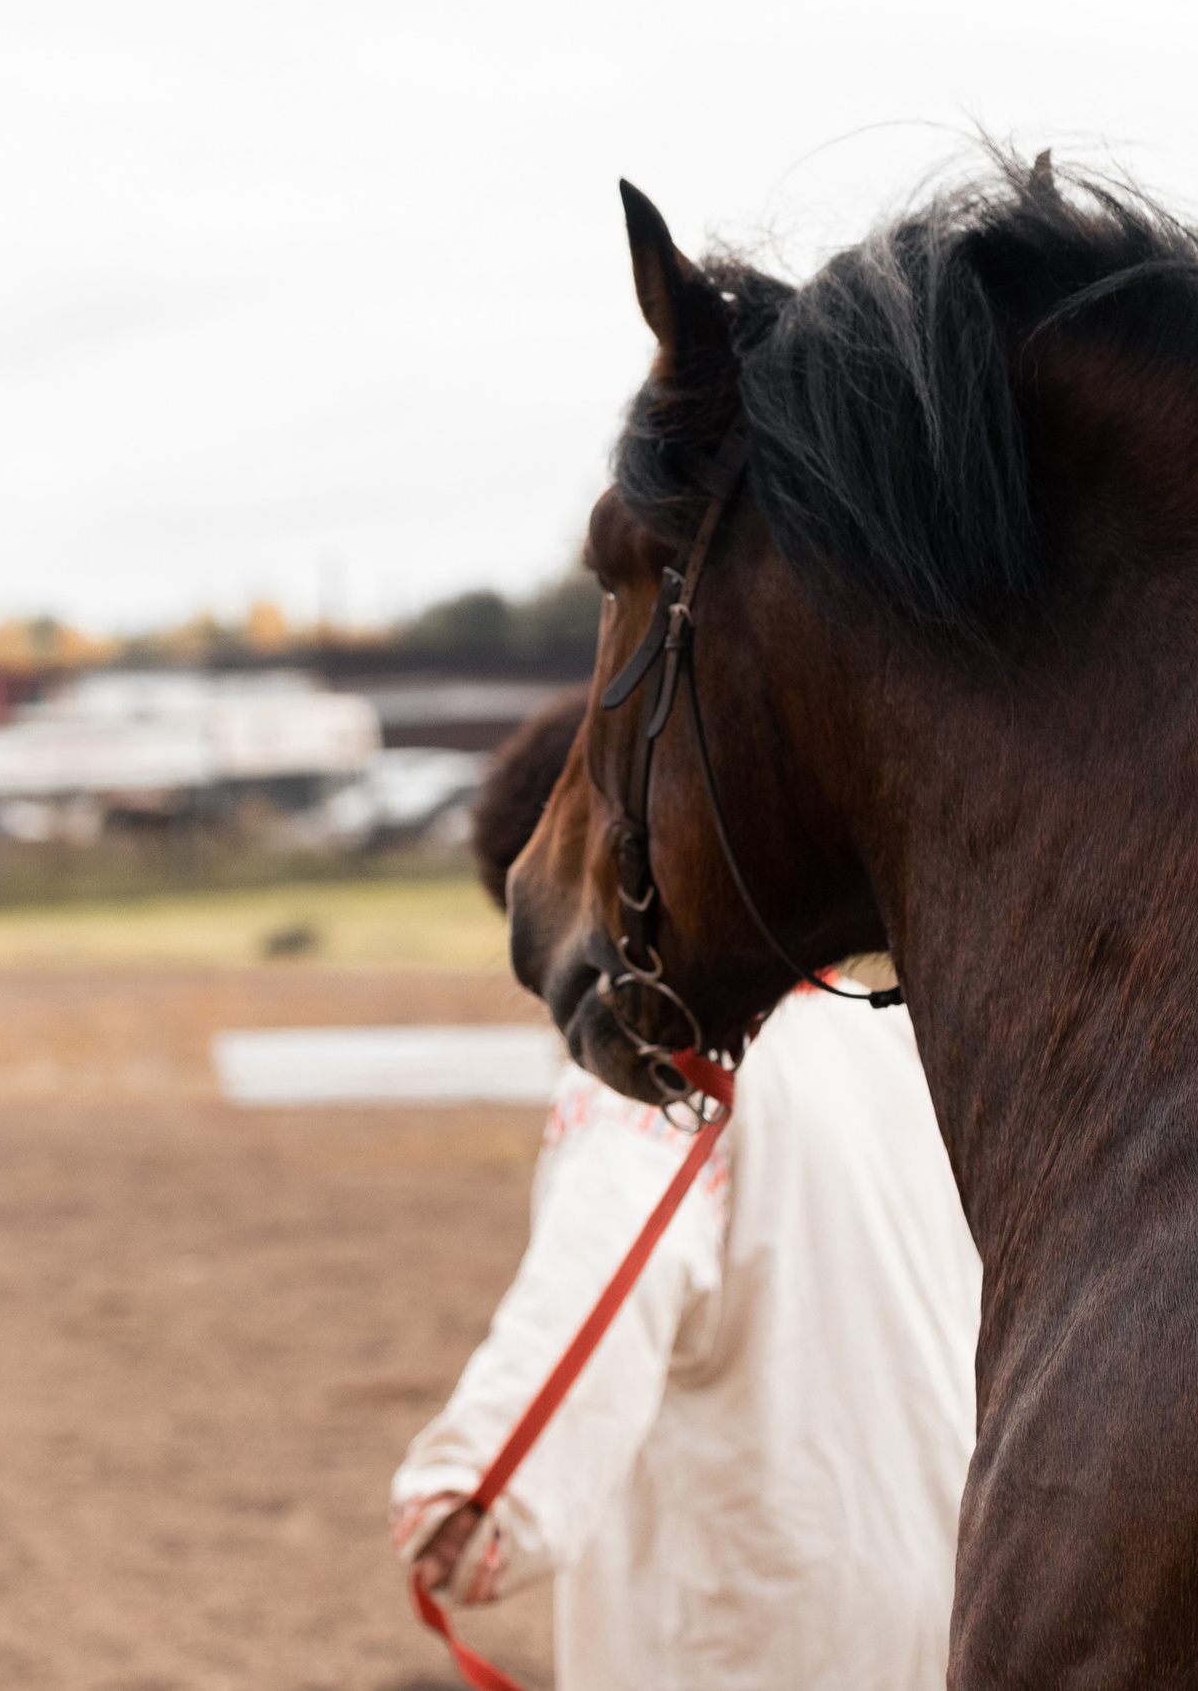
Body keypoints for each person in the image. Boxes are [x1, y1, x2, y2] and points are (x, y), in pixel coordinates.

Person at [392, 691, 979, 1691]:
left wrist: (481, 1490)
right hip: (958, 1578)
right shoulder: (898, 1033)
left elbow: (602, 1280)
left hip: (762, 1611)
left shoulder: (657, 1067)